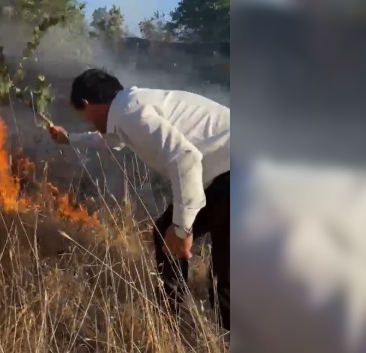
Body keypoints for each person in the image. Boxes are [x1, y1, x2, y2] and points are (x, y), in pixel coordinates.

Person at [47, 68, 232, 331]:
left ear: (87, 104)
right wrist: (70, 139)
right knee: (224, 262)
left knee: (171, 236)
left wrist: (182, 228)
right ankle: (214, 328)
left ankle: (169, 319)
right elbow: (112, 139)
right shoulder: (129, 107)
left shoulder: (132, 113)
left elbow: (186, 159)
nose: (87, 122)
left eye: (83, 116)